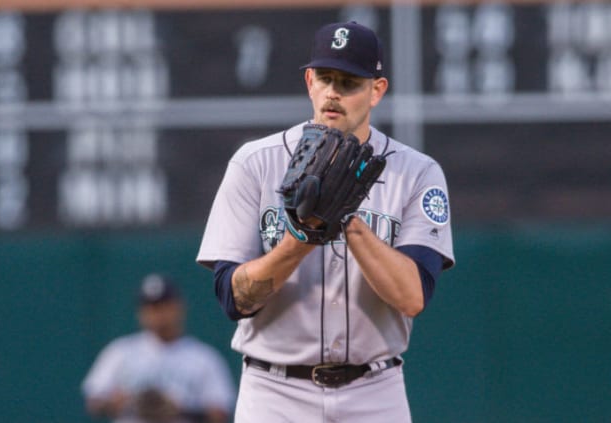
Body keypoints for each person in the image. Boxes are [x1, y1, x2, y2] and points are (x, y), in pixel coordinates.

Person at [196, 21, 454, 422]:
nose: (334, 92)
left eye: (349, 82)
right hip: (274, 391)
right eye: (326, 78)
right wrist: (302, 235)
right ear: (309, 82)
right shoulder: (255, 163)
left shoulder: (417, 173)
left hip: (375, 392)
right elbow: (234, 298)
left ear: (376, 91)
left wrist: (348, 220)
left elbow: (412, 296)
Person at [81, 273, 236, 423]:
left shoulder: (204, 358)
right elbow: (93, 402)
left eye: (164, 306)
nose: (158, 314)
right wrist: (120, 404)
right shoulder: (120, 352)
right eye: (151, 308)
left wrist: (180, 410)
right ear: (140, 312)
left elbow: (221, 413)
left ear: (179, 307)